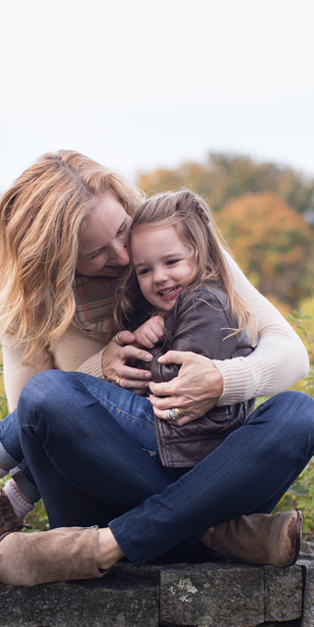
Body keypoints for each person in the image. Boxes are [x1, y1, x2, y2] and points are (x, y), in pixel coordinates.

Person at [0, 151, 314, 586]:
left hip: (199, 469)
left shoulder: (168, 242)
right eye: (97, 252)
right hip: (106, 492)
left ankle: (105, 548)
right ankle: (221, 533)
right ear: (58, 258)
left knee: (299, 415)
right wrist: (101, 369)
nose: (122, 254)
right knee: (46, 395)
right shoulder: (32, 304)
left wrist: (223, 381)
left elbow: (291, 353)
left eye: (122, 230)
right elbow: (34, 422)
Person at [117, 188, 256, 470]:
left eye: (172, 262)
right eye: (144, 270)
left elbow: (179, 380)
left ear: (199, 255)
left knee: (64, 394)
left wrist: (143, 351)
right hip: (183, 439)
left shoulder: (205, 301)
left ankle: (8, 466)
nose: (159, 277)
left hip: (195, 443)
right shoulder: (167, 310)